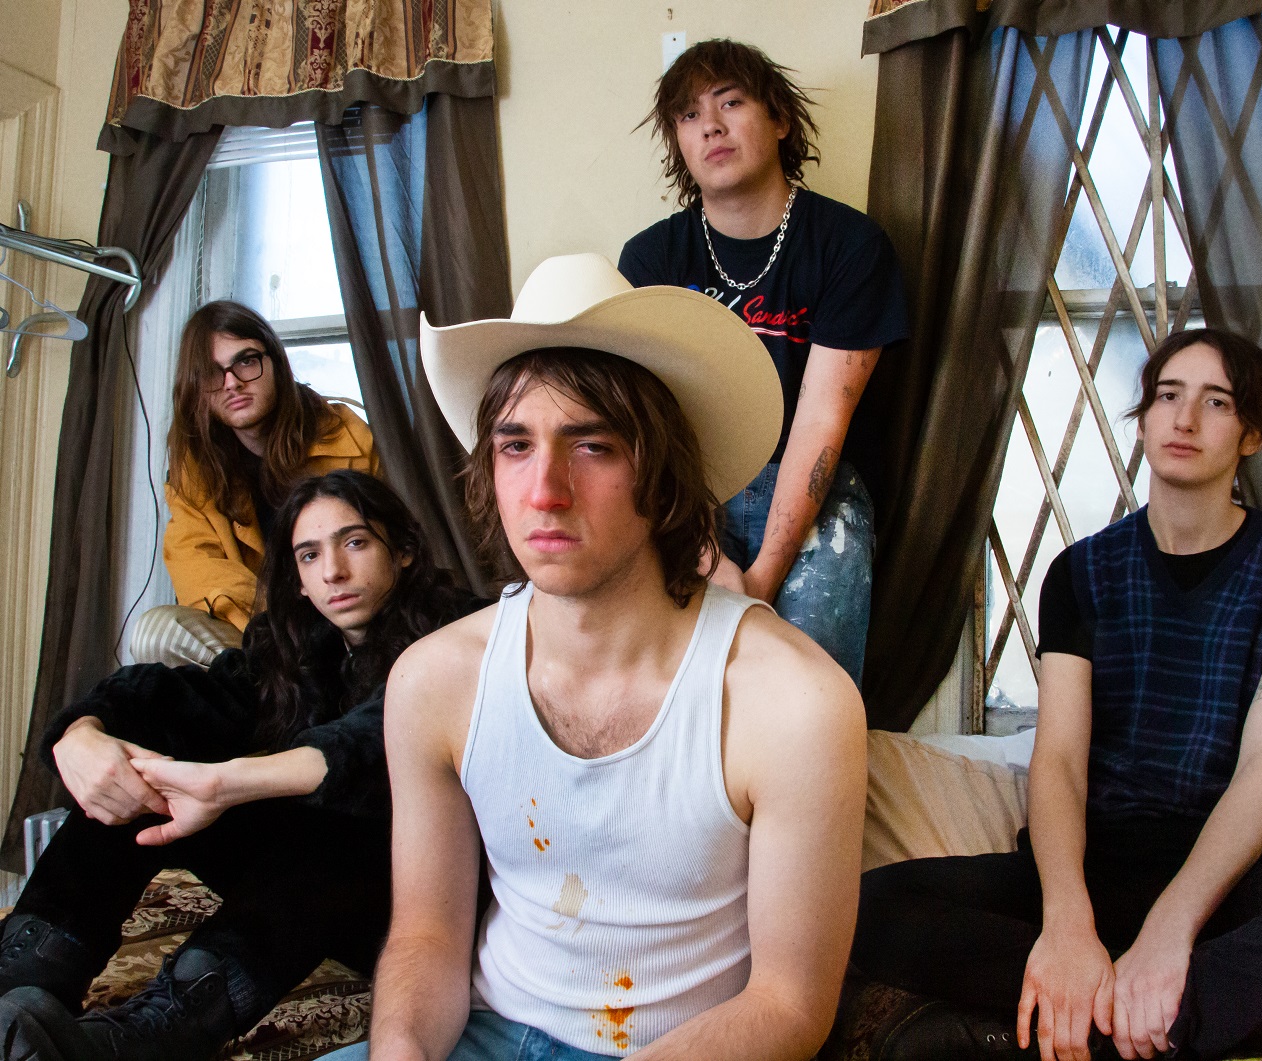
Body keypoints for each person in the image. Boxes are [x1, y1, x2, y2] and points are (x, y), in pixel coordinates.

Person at [850, 329, 1262, 1061]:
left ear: (1252, 435)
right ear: (1143, 421)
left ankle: (1155, 1009)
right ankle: (1165, 1005)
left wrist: (1170, 933)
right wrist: (1068, 926)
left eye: (1217, 402)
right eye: (1168, 397)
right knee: (866, 906)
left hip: (1236, 883)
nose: (1185, 418)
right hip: (1100, 866)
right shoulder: (1080, 574)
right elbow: (1061, 762)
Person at [330, 253, 867, 1061]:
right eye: (516, 445)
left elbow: (791, 1005)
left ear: (664, 475)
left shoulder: (793, 702)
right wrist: (398, 1050)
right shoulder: (435, 681)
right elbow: (427, 935)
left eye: (593, 446)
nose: (544, 489)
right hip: (488, 1034)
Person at [0, 471, 482, 1061]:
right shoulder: (300, 644)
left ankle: (169, 1025)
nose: (333, 571)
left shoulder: (463, 633)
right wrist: (81, 733)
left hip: (416, 904)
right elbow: (182, 695)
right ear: (298, 579)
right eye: (310, 555)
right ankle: (28, 978)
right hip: (309, 890)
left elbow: (375, 743)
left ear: (402, 550)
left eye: (355, 542)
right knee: (140, 765)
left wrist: (224, 784)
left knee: (337, 829)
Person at [619, 38, 910, 685]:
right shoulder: (650, 259)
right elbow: (650, 425)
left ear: (779, 119)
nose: (711, 126)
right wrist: (704, 551)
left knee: (807, 688)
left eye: (731, 102)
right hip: (687, 489)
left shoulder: (850, 246)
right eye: (690, 114)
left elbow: (823, 417)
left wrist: (757, 584)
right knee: (682, 687)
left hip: (815, 490)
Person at [131, 300, 380, 668]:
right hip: (268, 633)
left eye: (246, 361)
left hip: (355, 622)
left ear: (275, 362)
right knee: (155, 633)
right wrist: (278, 631)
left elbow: (384, 552)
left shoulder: (348, 437)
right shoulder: (194, 469)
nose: (232, 383)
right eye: (211, 373)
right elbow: (200, 568)